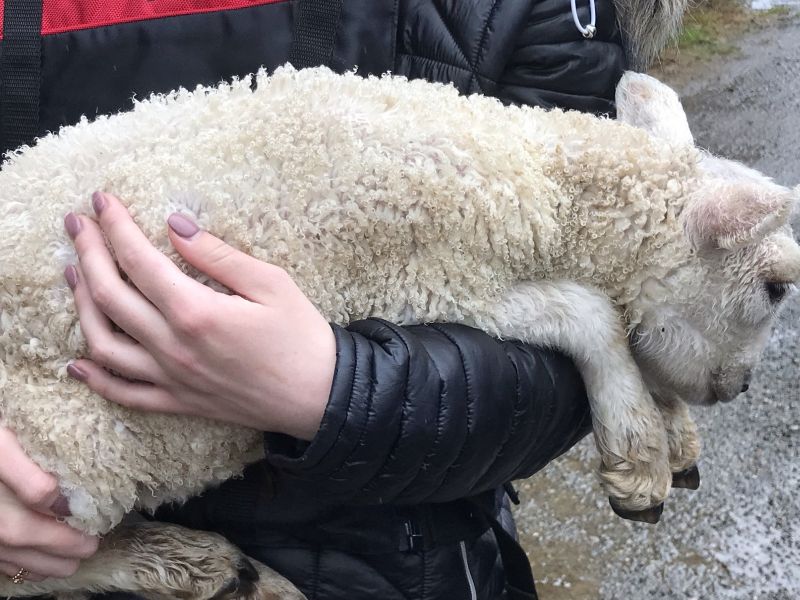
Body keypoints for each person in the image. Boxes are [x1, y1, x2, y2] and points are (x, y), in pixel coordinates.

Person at [0, 0, 677, 597]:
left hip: (391, 564)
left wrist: (336, 388)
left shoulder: (525, 12)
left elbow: (579, 332)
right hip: (55, 510)